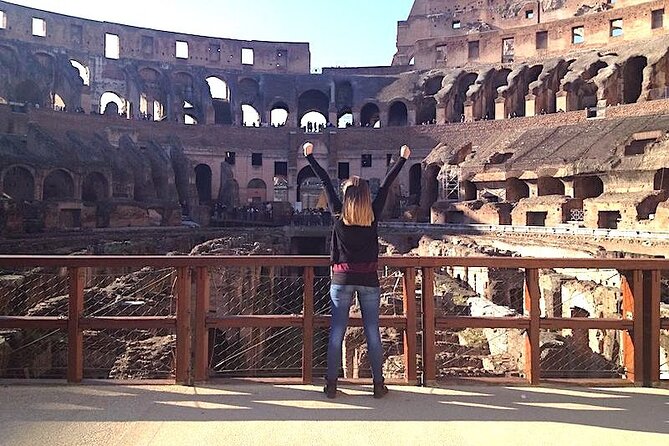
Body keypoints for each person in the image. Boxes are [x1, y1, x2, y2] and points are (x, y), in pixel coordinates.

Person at [303, 141, 410, 399]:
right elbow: (385, 185)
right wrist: (402, 159)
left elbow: (326, 182)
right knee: (372, 331)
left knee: (336, 331)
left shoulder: (338, 215)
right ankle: (377, 384)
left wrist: (310, 158)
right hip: (369, 279)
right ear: (364, 196)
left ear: (348, 196)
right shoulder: (372, 214)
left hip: (341, 277)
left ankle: (331, 384)